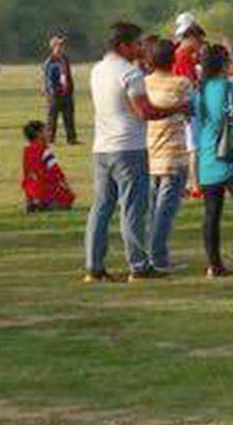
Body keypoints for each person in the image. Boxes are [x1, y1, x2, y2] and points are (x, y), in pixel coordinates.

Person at [85, 21, 167, 283]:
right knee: (132, 208)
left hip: (102, 147)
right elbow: (144, 111)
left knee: (101, 207)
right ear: (124, 46)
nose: (142, 48)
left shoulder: (97, 70)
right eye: (138, 43)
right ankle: (138, 265)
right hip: (129, 147)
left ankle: (94, 266)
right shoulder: (131, 74)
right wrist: (177, 108)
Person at [193, 43, 233, 276]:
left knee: (211, 214)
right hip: (232, 159)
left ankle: (214, 264)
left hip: (208, 158)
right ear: (223, 65)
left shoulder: (199, 91)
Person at [142, 37, 194, 271]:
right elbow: (190, 110)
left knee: (153, 209)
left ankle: (149, 252)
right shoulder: (181, 83)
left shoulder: (143, 83)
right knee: (166, 210)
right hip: (174, 155)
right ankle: (159, 257)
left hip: (151, 151)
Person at [21, 120, 75, 210]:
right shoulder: (44, 150)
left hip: (31, 186)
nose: (47, 133)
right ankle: (46, 204)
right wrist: (64, 183)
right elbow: (55, 170)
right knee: (67, 200)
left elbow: (26, 171)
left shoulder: (27, 150)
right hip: (44, 185)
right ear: (39, 134)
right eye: (45, 131)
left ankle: (34, 200)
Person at [43, 35, 77, 145]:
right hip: (55, 94)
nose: (61, 48)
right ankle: (50, 140)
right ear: (53, 47)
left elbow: (68, 75)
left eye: (62, 46)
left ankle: (71, 139)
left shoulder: (65, 59)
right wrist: (52, 93)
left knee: (69, 117)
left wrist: (70, 88)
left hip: (67, 93)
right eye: (59, 45)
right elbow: (48, 79)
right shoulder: (49, 62)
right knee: (52, 118)